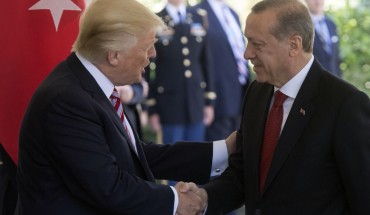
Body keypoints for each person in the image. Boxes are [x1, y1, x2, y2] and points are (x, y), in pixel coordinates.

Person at [15, 0, 236, 214]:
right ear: (114, 55)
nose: (153, 55)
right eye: (147, 46)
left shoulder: (88, 85)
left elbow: (133, 155)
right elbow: (108, 187)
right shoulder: (66, 101)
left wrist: (224, 150)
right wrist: (178, 201)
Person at [198, 0, 370, 214]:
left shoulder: (345, 104)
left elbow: (363, 197)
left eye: (257, 44)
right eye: (247, 42)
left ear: (294, 45)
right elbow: (243, 174)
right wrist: (203, 197)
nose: (247, 53)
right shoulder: (257, 92)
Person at [145, 0, 215, 144]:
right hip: (168, 105)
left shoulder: (199, 16)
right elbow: (147, 68)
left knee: (196, 156)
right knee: (173, 159)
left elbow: (206, 61)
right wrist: (151, 108)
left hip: (196, 102)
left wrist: (209, 101)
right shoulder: (155, 19)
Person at [193, 0, 250, 141]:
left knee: (238, 153)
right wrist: (208, 101)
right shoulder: (196, 13)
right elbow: (198, 59)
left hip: (240, 95)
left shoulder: (232, 13)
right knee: (219, 156)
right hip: (217, 100)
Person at [306, 0, 342, 77]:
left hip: (334, 81)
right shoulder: (302, 26)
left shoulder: (331, 24)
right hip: (313, 82)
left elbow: (336, 59)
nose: (318, 1)